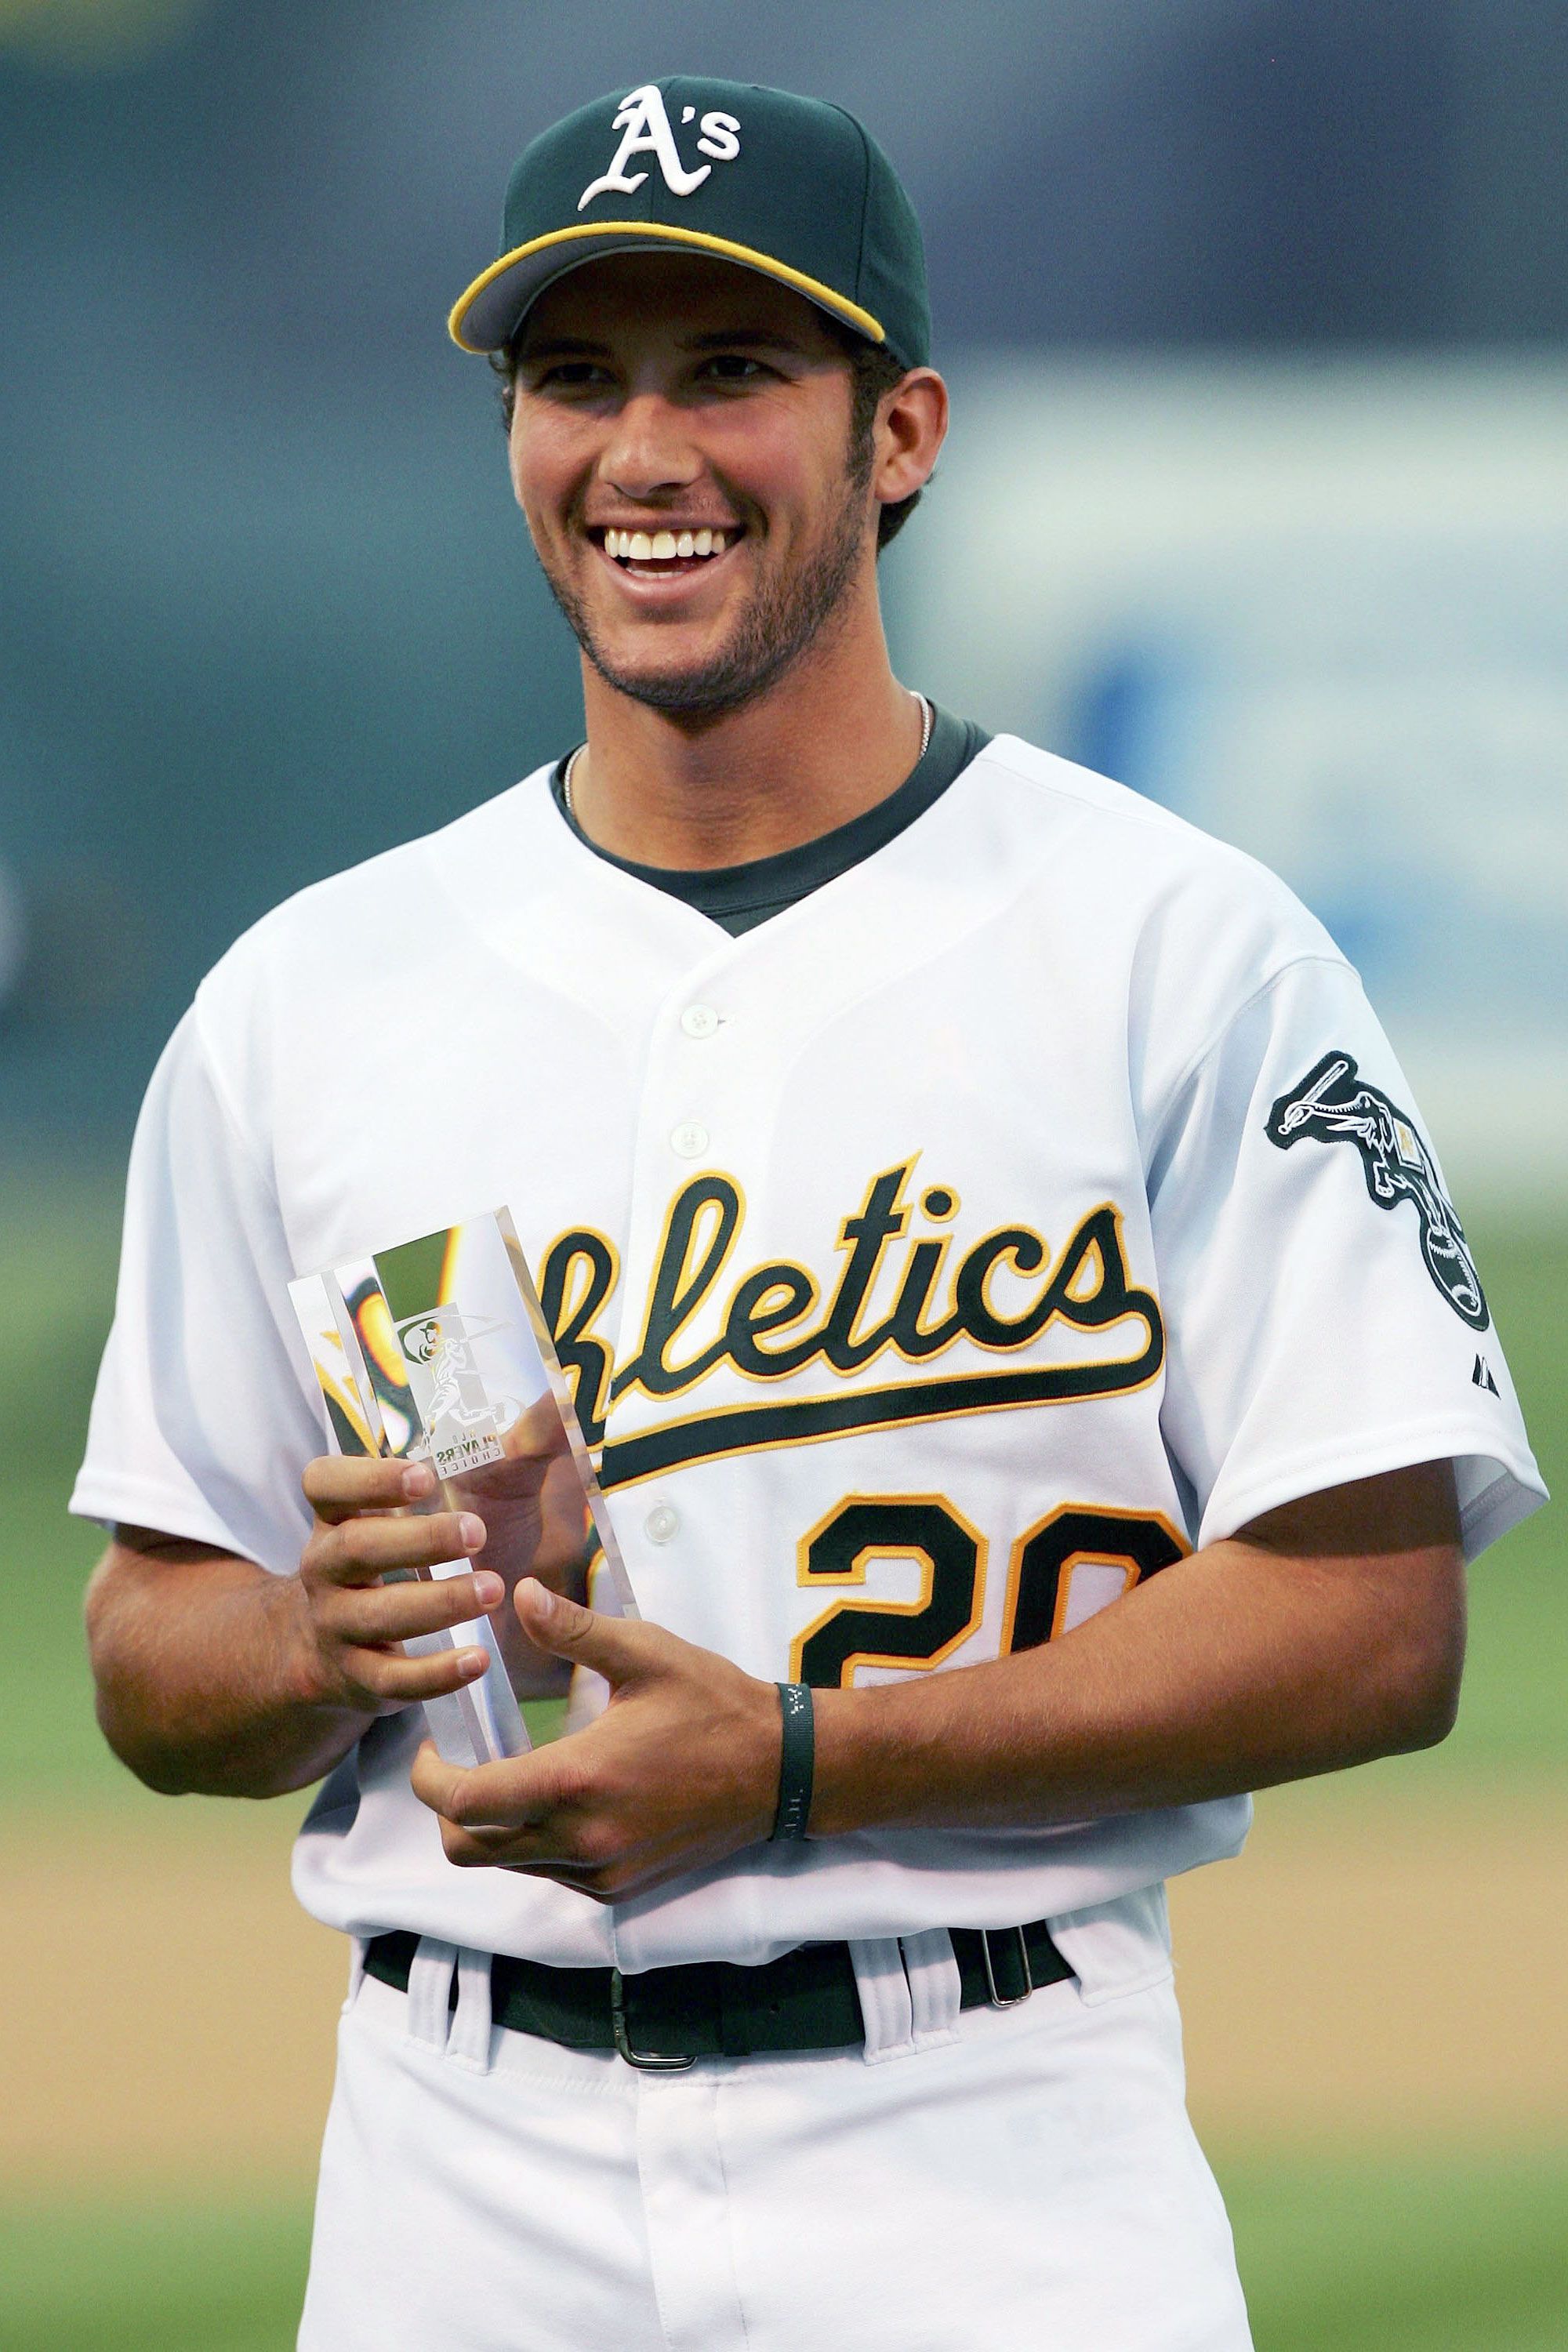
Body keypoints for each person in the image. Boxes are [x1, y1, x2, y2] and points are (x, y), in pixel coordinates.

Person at [74, 77, 1544, 2352]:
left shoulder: (1174, 945)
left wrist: (790, 1767)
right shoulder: (308, 999)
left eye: (734, 370)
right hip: (454, 2177)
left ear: (904, 430)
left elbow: (1375, 1623)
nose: (644, 451)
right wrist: (313, 1644)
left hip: (994, 2142)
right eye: (578, 378)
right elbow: (154, 1641)